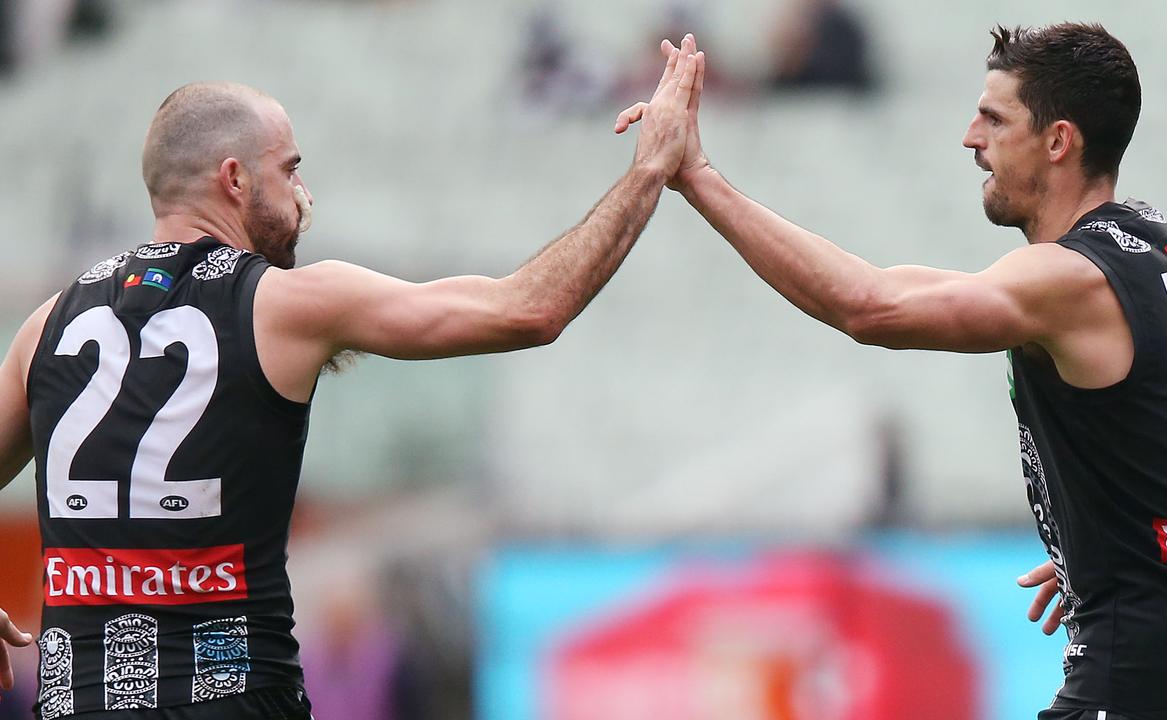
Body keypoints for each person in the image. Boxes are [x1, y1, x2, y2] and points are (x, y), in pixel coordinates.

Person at [0, 35, 704, 719]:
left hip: (78, 700)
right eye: (289, 168)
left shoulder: (46, 327)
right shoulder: (283, 302)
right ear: (235, 179)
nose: (302, 191)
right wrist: (647, 170)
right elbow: (531, 309)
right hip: (231, 694)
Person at [619, 23, 1167, 719]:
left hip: (1147, 674)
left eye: (994, 119)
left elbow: (869, 307)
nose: (972, 139)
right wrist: (1131, 538)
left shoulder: (1068, 279)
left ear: (1058, 142)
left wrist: (695, 176)